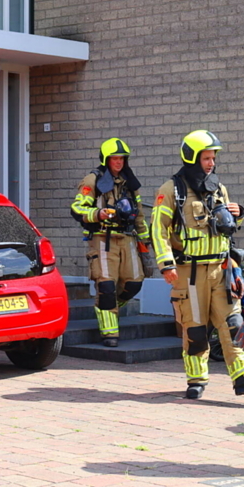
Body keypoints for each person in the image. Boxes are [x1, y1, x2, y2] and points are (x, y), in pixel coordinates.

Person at [151, 130, 244, 399]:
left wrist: (238, 215)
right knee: (195, 328)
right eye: (206, 158)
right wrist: (166, 264)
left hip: (221, 269)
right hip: (190, 272)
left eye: (213, 158)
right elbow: (158, 229)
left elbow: (227, 228)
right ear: (191, 157)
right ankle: (196, 379)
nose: (212, 163)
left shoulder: (219, 188)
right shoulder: (171, 189)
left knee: (233, 322)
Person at [70, 139, 153, 346]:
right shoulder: (92, 180)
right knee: (106, 286)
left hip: (128, 238)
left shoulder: (129, 183)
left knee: (134, 283)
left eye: (122, 158)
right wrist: (99, 213)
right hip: (102, 238)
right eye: (115, 158)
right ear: (106, 159)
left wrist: (145, 239)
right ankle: (110, 332)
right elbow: (77, 209)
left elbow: (139, 214)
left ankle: (108, 308)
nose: (118, 162)